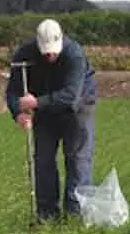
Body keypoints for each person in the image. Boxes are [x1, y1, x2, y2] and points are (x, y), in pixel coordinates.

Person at [6, 18, 99, 223]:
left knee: (77, 159)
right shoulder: (24, 55)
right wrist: (18, 112)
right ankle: (47, 214)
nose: (50, 54)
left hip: (78, 108)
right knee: (43, 160)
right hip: (45, 108)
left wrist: (35, 102)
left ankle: (76, 214)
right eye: (45, 50)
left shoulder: (74, 54)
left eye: (53, 50)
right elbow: (13, 90)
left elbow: (70, 95)